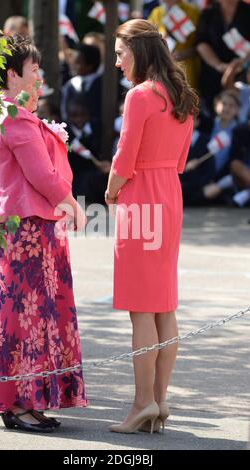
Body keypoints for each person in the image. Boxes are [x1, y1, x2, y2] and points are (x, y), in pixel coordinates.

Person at [0, 35, 87, 433]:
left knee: (32, 315)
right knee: (25, 317)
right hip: (25, 227)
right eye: (33, 69)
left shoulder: (3, 113)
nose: (39, 75)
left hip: (24, 226)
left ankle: (27, 401)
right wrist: (74, 206)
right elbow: (41, 174)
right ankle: (19, 403)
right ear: (12, 74)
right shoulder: (13, 117)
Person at [105, 19, 198, 434]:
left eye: (121, 53)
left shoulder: (140, 95)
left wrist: (110, 192)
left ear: (139, 52)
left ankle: (142, 402)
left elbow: (125, 156)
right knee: (164, 304)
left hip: (141, 195)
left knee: (141, 306)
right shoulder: (181, 95)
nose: (117, 62)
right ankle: (159, 401)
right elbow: (179, 162)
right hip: (170, 195)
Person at [196, 0, 250, 115]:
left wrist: (243, 62)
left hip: (242, 76)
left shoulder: (247, 11)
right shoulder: (208, 12)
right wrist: (218, 65)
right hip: (212, 75)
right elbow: (201, 43)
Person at [148, 0, 201, 90]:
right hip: (161, 68)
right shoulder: (156, 12)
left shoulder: (192, 11)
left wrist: (187, 53)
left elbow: (200, 43)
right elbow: (148, 40)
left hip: (185, 68)